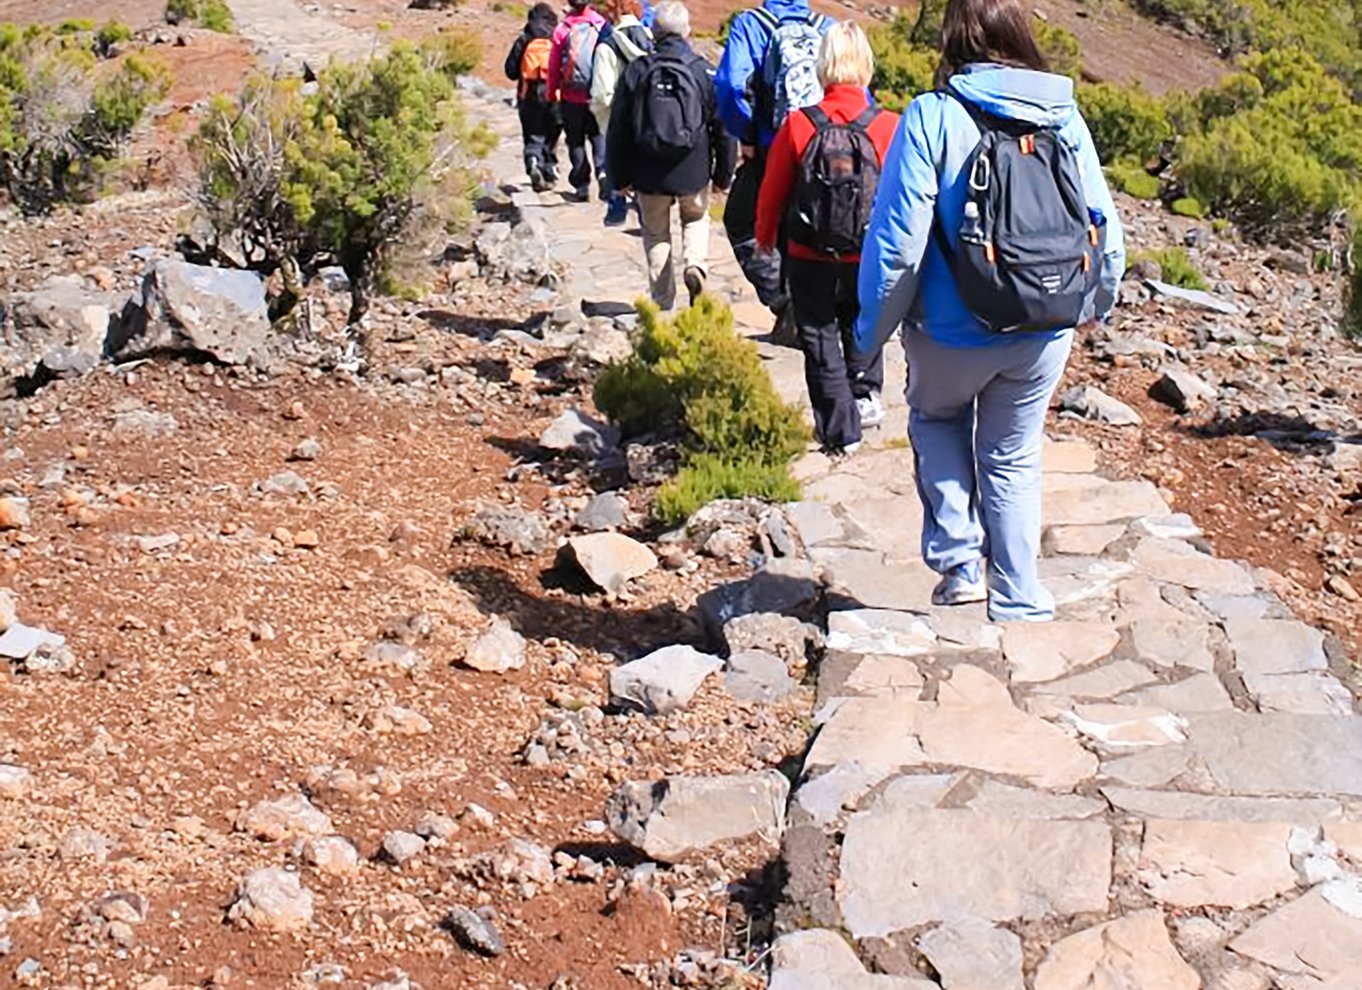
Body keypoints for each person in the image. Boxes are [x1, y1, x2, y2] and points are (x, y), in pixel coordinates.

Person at [854, 0, 1124, 621]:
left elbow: (898, 246)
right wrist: (1094, 302)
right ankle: (1020, 593)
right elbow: (1103, 227)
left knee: (936, 420)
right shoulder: (1066, 117)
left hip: (949, 333)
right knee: (1014, 452)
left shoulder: (932, 116)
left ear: (954, 38)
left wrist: (871, 332)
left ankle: (959, 565)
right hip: (1043, 323)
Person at [754, 22, 896, 455]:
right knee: (864, 322)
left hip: (808, 253)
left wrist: (763, 240)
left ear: (824, 66)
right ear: (866, 66)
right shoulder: (889, 125)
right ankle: (865, 395)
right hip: (867, 254)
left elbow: (772, 192)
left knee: (817, 335)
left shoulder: (800, 125)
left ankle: (838, 429)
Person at [716, 0, 833, 338]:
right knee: (807, 225)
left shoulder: (751, 25)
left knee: (741, 220)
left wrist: (747, 133)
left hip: (772, 143)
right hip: (820, 145)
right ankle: (811, 313)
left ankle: (785, 303)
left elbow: (731, 86)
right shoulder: (824, 25)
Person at [608, 1, 736, 309]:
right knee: (695, 218)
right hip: (692, 168)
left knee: (655, 233)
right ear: (687, 31)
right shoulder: (703, 70)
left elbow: (619, 128)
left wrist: (619, 176)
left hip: (647, 170)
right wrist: (723, 175)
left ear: (653, 31)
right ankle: (695, 265)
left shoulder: (638, 71)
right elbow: (723, 128)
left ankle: (663, 302)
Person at [591, 0, 654, 226]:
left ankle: (617, 208)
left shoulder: (607, 47)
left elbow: (601, 95)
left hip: (618, 122)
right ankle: (645, 211)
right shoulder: (652, 39)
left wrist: (605, 120)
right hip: (649, 118)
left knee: (616, 164)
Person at [548, 0, 609, 202]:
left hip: (570, 95)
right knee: (598, 136)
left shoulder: (563, 29)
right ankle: (603, 172)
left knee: (576, 140)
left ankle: (582, 185)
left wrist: (552, 91)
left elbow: (554, 64)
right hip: (596, 94)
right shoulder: (600, 25)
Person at [504, 3, 562, 192]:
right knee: (552, 132)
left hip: (528, 94)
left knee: (533, 132)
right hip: (554, 94)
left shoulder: (524, 39)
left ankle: (533, 160)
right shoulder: (557, 38)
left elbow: (510, 71)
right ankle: (549, 168)